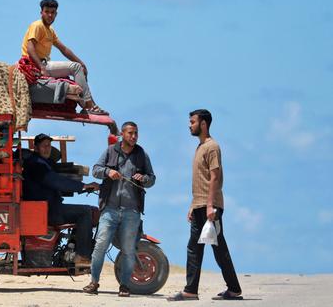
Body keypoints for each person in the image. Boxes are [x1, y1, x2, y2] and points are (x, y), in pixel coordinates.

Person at [167, 109, 243, 301]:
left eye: (192, 122)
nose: (189, 125)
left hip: (211, 207)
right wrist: (193, 205)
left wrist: (210, 206)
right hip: (200, 205)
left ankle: (231, 289)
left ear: (203, 124)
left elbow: (214, 177)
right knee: (196, 247)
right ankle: (193, 290)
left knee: (216, 248)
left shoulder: (212, 146)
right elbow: (201, 180)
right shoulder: (200, 147)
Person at [83, 121, 156, 295]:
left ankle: (125, 285)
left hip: (132, 212)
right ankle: (93, 283)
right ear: (122, 134)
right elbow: (96, 170)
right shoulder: (110, 151)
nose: (134, 136)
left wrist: (144, 179)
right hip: (110, 209)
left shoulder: (141, 154)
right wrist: (108, 172)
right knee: (100, 246)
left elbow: (152, 178)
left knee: (129, 250)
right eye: (130, 133)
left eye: (136, 133)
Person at [22, 133, 99, 267]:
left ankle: (73, 250)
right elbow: (54, 181)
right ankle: (82, 256)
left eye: (49, 146)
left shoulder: (41, 163)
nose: (47, 149)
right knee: (86, 212)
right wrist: (82, 186)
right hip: (48, 211)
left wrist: (78, 187)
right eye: (44, 146)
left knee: (84, 210)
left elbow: (55, 182)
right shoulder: (37, 164)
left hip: (47, 207)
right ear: (36, 147)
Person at [21, 0, 107, 115]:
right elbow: (30, 48)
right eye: (47, 12)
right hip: (35, 65)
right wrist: (41, 67)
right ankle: (89, 106)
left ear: (56, 14)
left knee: (78, 68)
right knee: (76, 67)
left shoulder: (50, 31)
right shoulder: (37, 26)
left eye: (52, 12)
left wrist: (82, 63)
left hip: (44, 64)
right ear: (41, 12)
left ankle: (86, 105)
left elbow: (64, 49)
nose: (50, 15)